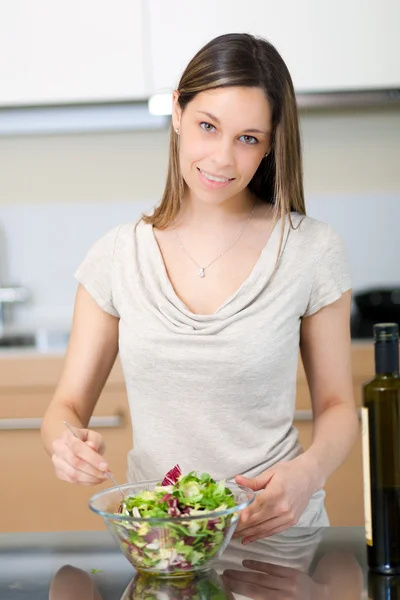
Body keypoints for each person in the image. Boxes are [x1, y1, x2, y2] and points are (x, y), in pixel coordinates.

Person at [41, 32, 359, 542]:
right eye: (208, 127)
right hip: (161, 541)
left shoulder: (312, 250)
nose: (222, 159)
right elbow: (65, 408)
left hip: (276, 535)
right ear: (177, 113)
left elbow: (340, 408)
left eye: (248, 138)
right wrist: (63, 442)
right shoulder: (118, 255)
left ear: (272, 143)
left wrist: (309, 473)